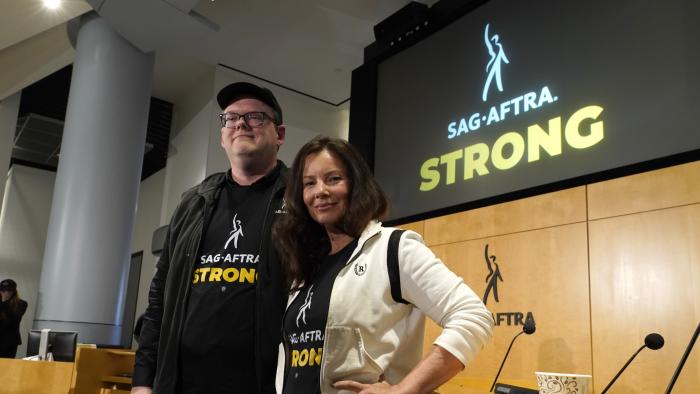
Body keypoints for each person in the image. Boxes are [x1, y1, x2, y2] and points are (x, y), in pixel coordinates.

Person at [273, 136, 494, 393]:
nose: (320, 191)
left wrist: (404, 389)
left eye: (333, 179)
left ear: (356, 184)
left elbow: (473, 316)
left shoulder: (393, 248)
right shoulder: (307, 264)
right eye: (309, 183)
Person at [132, 82, 288, 394]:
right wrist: (142, 380)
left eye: (256, 117)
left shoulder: (299, 198)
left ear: (279, 135)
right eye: (230, 118)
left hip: (264, 384)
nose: (241, 124)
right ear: (222, 136)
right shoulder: (193, 202)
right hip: (181, 383)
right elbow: (160, 295)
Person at [0, 279, 28, 359]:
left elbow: (13, 320)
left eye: (9, 290)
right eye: (3, 290)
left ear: (14, 291)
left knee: (5, 368)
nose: (6, 293)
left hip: (9, 342)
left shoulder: (21, 304)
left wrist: (4, 302)